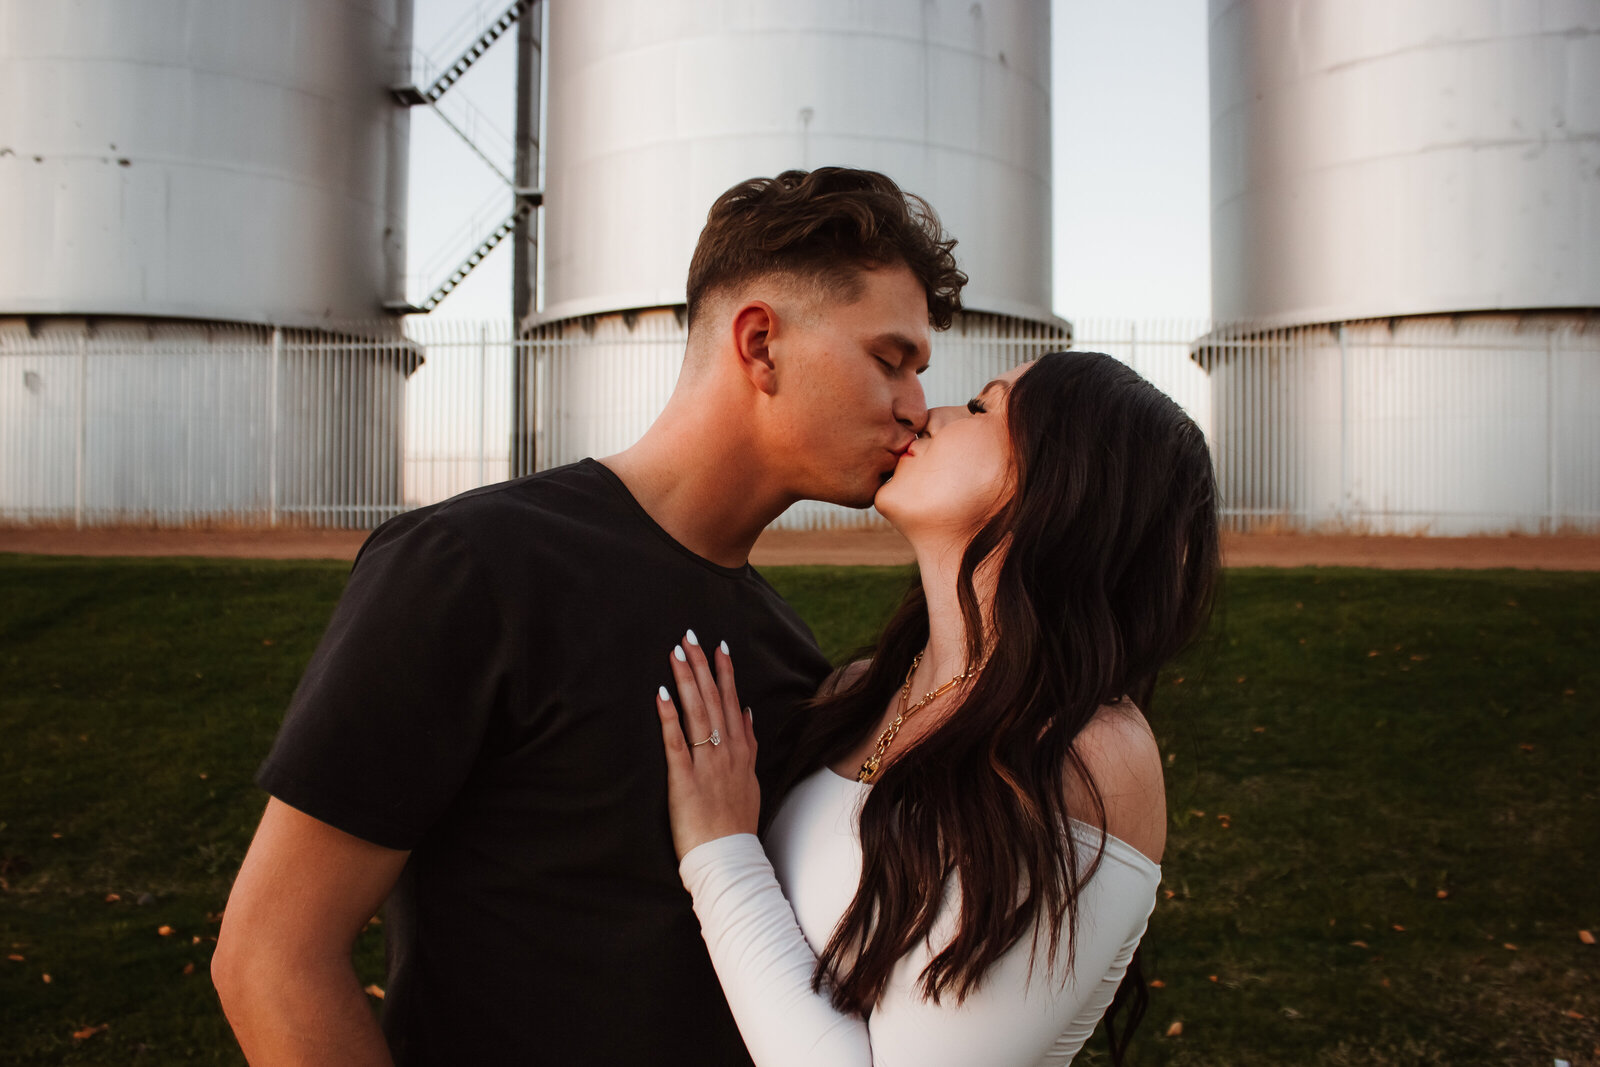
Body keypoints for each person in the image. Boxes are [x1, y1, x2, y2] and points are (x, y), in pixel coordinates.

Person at [211, 167, 968, 1065]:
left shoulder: (786, 651)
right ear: (760, 343)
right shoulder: (472, 567)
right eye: (891, 360)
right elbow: (270, 958)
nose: (916, 409)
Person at [653, 350, 1221, 1066]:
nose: (931, 412)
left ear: (1060, 484)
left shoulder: (1088, 754)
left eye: (984, 408)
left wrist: (719, 850)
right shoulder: (854, 693)